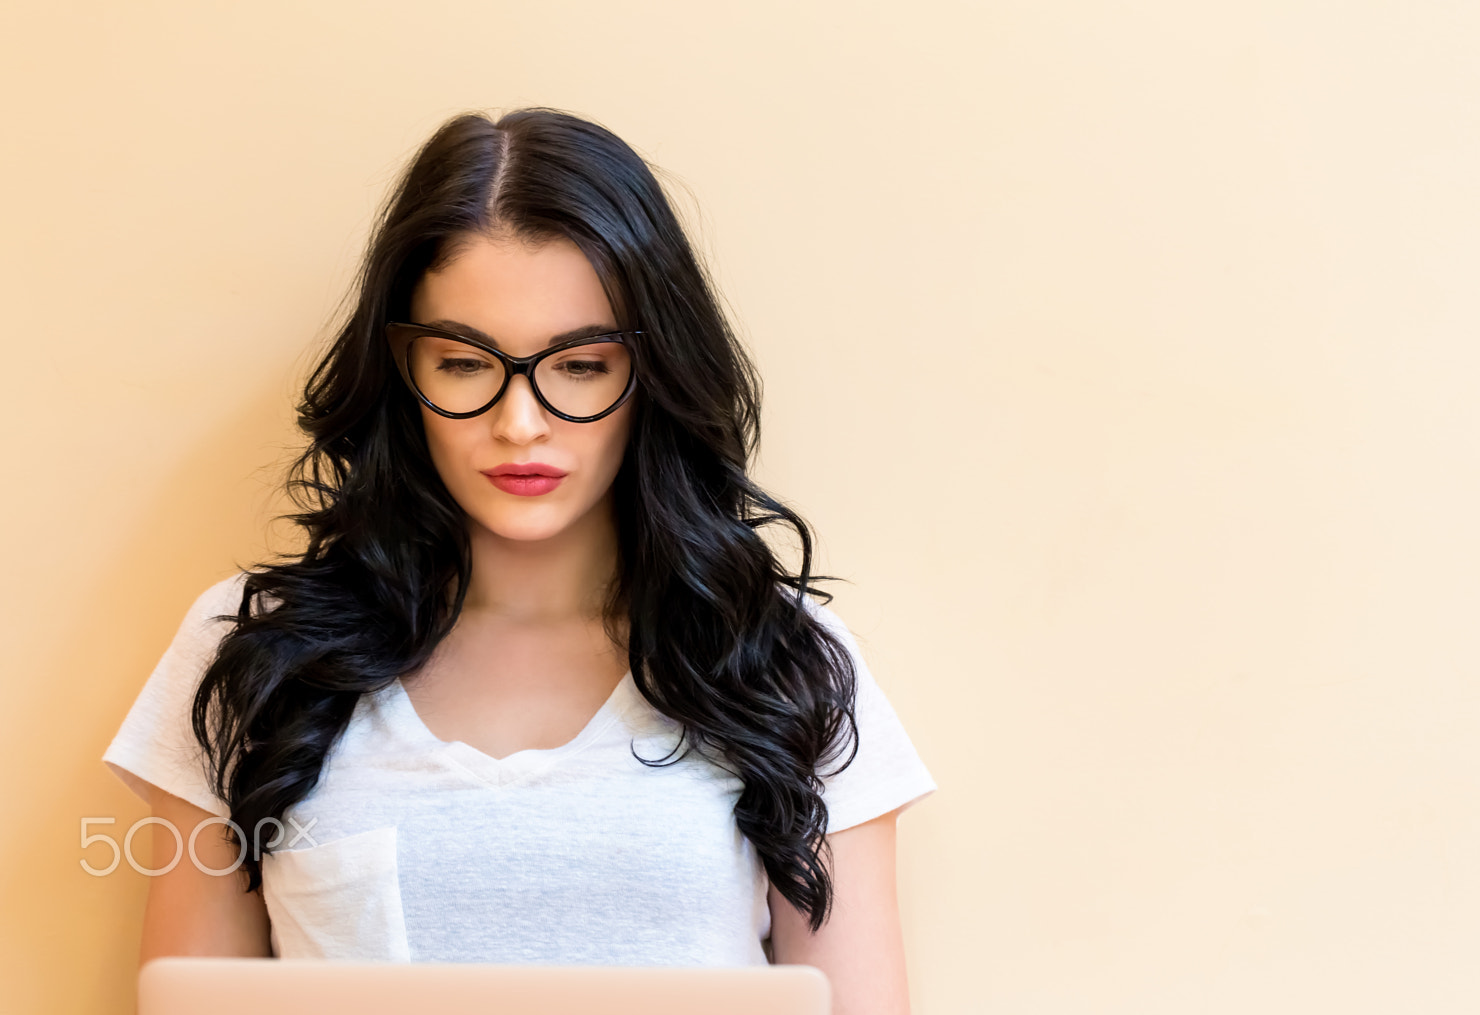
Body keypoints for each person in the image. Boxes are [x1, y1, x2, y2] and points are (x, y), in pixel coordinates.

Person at [101, 109, 934, 1011]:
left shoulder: (783, 660)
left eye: (580, 365)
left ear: (650, 375)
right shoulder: (254, 651)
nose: (520, 423)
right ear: (402, 371)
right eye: (464, 362)